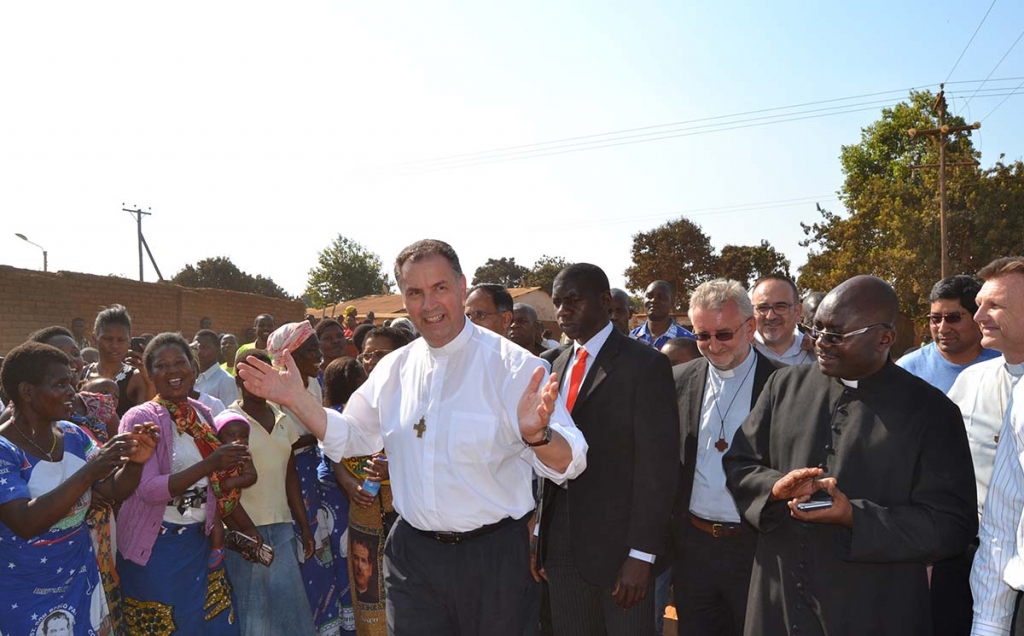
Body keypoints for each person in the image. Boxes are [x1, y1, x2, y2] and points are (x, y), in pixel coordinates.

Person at [237, 239, 587, 636]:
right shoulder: (394, 369)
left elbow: (572, 461)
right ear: (404, 299)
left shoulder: (516, 367)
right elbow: (351, 437)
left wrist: (537, 435)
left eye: (440, 288)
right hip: (413, 559)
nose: (429, 304)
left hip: (495, 561)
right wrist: (298, 400)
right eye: (415, 292)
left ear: (462, 287)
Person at [722, 275, 977, 636]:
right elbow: (740, 462)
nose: (820, 343)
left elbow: (952, 524)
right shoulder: (784, 386)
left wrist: (854, 516)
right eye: (817, 330)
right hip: (779, 597)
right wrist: (775, 488)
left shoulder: (932, 412)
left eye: (836, 335)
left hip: (873, 605)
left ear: (884, 338)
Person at [538, 263, 678, 636]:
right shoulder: (551, 366)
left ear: (603, 301)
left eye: (573, 300)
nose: (563, 311)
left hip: (621, 550)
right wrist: (539, 534)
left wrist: (642, 554)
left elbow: (658, 468)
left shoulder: (645, 365)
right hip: (561, 545)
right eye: (557, 302)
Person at [0, 342, 157, 636]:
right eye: (60, 384)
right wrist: (89, 472)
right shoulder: (4, 450)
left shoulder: (73, 434)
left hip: (80, 582)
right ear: (27, 391)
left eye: (72, 383)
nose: (72, 392)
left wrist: (136, 463)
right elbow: (24, 521)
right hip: (22, 593)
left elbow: (110, 491)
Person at [117, 333, 256, 635]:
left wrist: (243, 525)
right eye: (161, 365)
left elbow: (213, 485)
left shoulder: (202, 413)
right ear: (149, 373)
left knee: (215, 625)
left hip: (199, 543)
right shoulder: (141, 418)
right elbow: (148, 490)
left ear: (193, 368)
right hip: (156, 551)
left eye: (180, 362)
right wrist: (210, 463)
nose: (173, 371)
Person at [671, 279, 782, 636]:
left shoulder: (783, 384)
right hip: (694, 547)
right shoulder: (678, 380)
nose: (713, 345)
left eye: (723, 334)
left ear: (750, 327)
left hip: (757, 548)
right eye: (702, 336)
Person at [223, 353, 318, 636]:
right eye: (251, 375)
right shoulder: (228, 422)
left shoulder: (282, 418)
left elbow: (290, 477)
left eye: (264, 374)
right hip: (244, 531)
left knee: (290, 611)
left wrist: (304, 526)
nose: (258, 381)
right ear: (238, 380)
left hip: (281, 527)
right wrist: (244, 530)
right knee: (254, 613)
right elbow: (221, 485)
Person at [964, 258, 1024, 635]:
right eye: (978, 305)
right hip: (990, 563)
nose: (978, 317)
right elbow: (1002, 519)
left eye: (995, 305)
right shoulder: (969, 382)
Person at [897, 275, 999, 393]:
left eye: (953, 318)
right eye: (935, 318)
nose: (942, 329)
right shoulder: (907, 371)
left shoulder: (1007, 364)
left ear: (978, 318)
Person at [83, 304, 155, 418]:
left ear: (129, 340)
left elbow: (146, 416)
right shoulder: (84, 373)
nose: (115, 345)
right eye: (108, 339)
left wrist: (148, 381)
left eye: (121, 340)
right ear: (95, 337)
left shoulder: (135, 377)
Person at [208, 411, 258, 567]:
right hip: (214, 503)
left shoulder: (244, 455)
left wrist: (234, 482)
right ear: (218, 437)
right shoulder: (212, 455)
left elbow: (252, 476)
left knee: (245, 525)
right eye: (232, 435)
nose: (239, 440)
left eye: (244, 436)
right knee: (219, 527)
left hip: (231, 499)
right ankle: (218, 549)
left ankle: (251, 544)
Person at [750, 275, 815, 366]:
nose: (770, 316)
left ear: (798, 311)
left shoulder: (818, 353)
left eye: (780, 307)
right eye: (763, 308)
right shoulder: (742, 352)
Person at [631, 280, 694, 349]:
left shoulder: (689, 341)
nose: (653, 300)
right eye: (649, 296)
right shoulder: (632, 338)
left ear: (672, 303)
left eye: (661, 297)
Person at [193, 329, 239, 406]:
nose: (199, 352)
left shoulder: (226, 380)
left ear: (217, 350)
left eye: (204, 347)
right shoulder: (193, 380)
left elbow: (230, 412)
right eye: (196, 348)